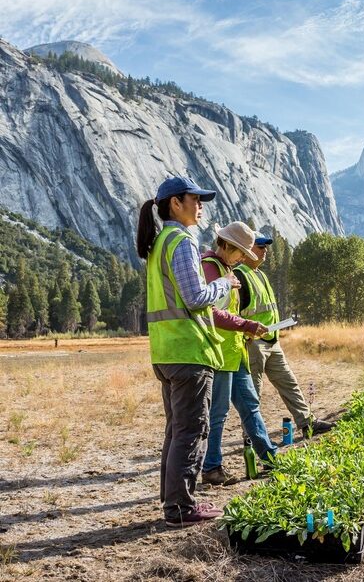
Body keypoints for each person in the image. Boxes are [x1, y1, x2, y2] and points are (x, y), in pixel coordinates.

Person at [136, 176, 239, 528]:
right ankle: (180, 506)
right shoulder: (180, 241)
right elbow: (195, 298)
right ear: (175, 204)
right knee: (192, 430)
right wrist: (224, 283)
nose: (201, 206)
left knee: (177, 429)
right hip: (188, 350)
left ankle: (176, 499)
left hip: (166, 351)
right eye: (195, 199)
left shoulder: (159, 242)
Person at [234, 232, 334, 439]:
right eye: (260, 247)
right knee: (253, 393)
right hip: (253, 344)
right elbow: (233, 314)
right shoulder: (239, 276)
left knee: (289, 382)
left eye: (266, 247)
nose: (265, 251)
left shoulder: (260, 274)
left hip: (272, 341)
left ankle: (307, 423)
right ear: (247, 250)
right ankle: (251, 438)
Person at [201, 222, 278, 485]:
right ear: (226, 246)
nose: (244, 258)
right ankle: (212, 467)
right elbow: (211, 311)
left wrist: (244, 329)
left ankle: (270, 457)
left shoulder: (227, 268)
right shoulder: (210, 268)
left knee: (250, 405)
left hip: (236, 351)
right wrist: (245, 325)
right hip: (220, 353)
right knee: (218, 413)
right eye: (241, 252)